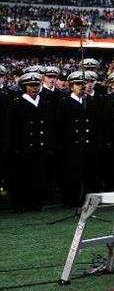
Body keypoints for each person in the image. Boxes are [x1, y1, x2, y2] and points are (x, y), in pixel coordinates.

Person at [5, 72, 56, 211]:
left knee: (39, 176)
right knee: (22, 177)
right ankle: (21, 203)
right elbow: (12, 129)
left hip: (41, 147)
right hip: (23, 148)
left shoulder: (44, 103)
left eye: (36, 85)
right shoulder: (16, 105)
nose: (34, 88)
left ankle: (36, 202)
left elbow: (49, 126)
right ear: (24, 87)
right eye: (31, 85)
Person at [55, 71, 101, 206]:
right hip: (71, 146)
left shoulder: (91, 102)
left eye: (83, 84)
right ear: (71, 86)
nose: (81, 86)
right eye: (78, 84)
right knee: (72, 176)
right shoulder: (64, 103)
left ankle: (89, 200)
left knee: (90, 175)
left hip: (89, 145)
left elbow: (97, 124)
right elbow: (60, 127)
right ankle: (71, 200)